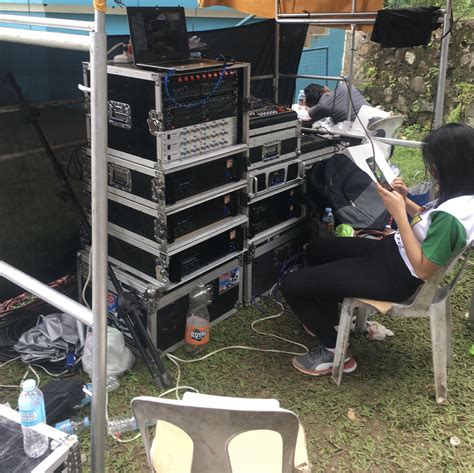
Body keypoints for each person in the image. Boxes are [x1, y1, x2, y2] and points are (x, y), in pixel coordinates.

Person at [281, 123, 474, 376]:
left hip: (396, 277)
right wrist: (404, 201)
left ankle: (334, 352)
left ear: (451, 166)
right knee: (319, 248)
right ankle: (330, 323)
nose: (432, 169)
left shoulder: (453, 217)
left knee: (292, 285)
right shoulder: (463, 197)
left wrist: (399, 215)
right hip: (392, 254)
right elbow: (429, 222)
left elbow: (423, 269)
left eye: (434, 163)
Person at [304, 82, 369, 124]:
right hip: (373, 114)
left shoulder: (320, 107)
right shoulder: (346, 86)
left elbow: (307, 117)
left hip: (362, 132)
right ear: (325, 88)